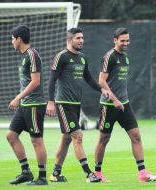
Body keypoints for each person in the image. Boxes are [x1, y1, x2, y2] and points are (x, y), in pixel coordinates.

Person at [94, 27, 156, 182]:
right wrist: (114, 99)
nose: (125, 43)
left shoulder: (125, 57)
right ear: (115, 40)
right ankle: (97, 173)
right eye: (122, 40)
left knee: (136, 136)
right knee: (104, 139)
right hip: (108, 105)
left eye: (127, 40)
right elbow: (101, 81)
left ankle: (142, 173)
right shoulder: (109, 57)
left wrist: (121, 100)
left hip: (124, 104)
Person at [46, 27, 110, 183]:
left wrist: (102, 89)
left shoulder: (82, 58)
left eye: (82, 38)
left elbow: (88, 79)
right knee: (78, 136)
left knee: (67, 139)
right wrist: (50, 102)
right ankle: (89, 174)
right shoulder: (61, 57)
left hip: (76, 104)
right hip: (63, 103)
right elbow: (52, 80)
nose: (81, 40)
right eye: (78, 38)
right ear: (69, 40)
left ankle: (55, 174)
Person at [6, 25, 48, 185]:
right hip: (25, 105)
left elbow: (35, 82)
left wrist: (17, 98)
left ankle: (42, 177)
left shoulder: (32, 55)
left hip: (34, 105)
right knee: (11, 136)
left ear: (19, 39)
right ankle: (26, 172)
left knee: (36, 141)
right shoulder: (24, 56)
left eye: (12, 38)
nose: (11, 42)